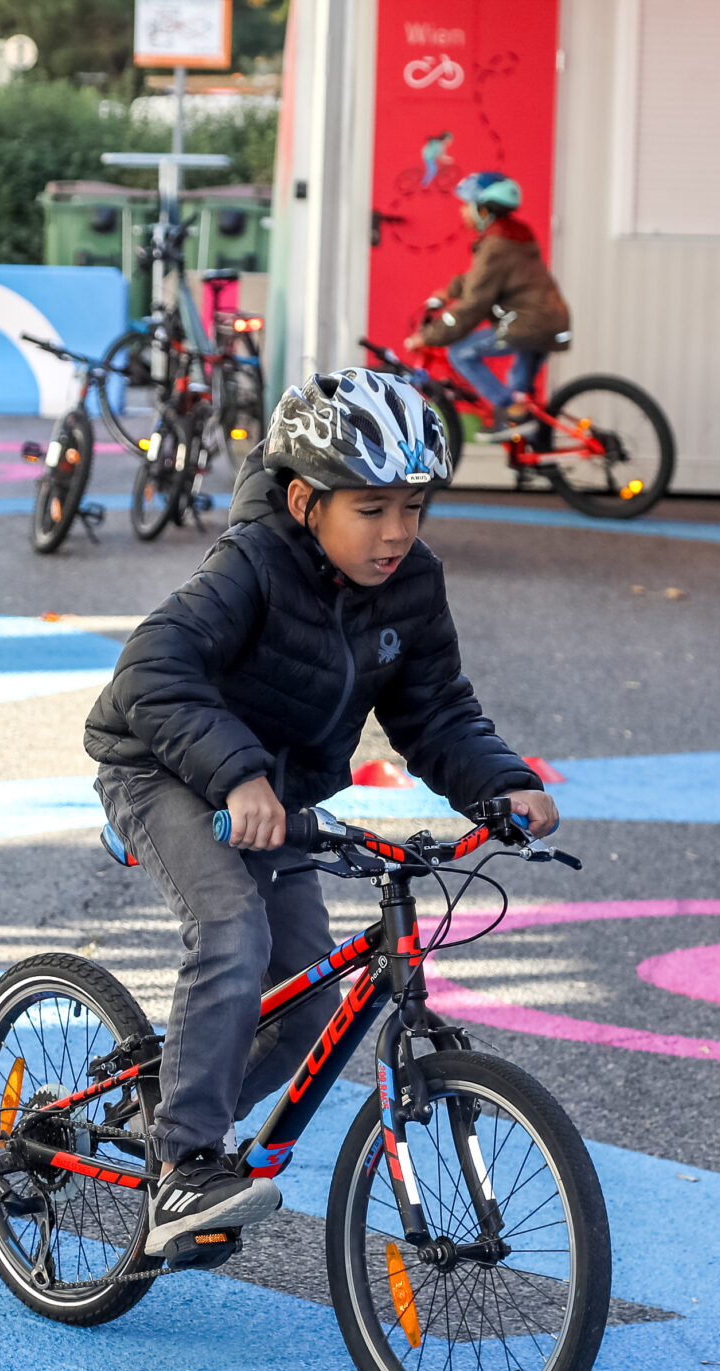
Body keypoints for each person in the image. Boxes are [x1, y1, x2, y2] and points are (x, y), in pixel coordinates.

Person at [82, 369, 557, 1255]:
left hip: (276, 798)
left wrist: (502, 782)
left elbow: (437, 708)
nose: (397, 532)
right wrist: (236, 776)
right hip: (163, 768)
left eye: (413, 506)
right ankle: (186, 1161)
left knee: (304, 1007)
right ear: (305, 500)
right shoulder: (251, 565)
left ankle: (174, 1115)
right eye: (371, 508)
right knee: (232, 929)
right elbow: (150, 672)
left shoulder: (411, 582)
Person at [407, 172, 571, 440]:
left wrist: (428, 336)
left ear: (483, 210)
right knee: (521, 399)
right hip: (547, 322)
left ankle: (513, 410)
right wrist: (448, 292)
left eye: (466, 205)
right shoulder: (514, 237)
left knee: (460, 352)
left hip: (527, 325)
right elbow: (481, 278)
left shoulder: (496, 245)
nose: (462, 212)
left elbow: (474, 304)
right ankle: (530, 443)